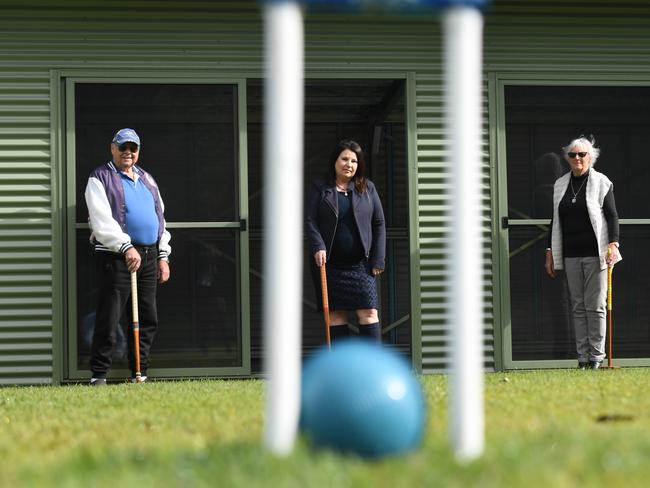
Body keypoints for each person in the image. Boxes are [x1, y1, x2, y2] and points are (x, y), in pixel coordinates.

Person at [85, 128, 171, 385]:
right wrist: (125, 246)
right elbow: (101, 222)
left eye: (133, 148)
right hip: (116, 256)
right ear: (113, 148)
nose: (128, 152)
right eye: (123, 147)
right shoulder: (100, 177)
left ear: (138, 151)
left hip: (148, 255)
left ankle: (140, 373)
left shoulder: (148, 179)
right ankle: (99, 375)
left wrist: (163, 255)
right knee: (109, 317)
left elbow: (160, 220)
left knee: (147, 317)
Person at [544, 135, 621, 370]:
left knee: (595, 305)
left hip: (596, 254)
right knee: (577, 306)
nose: (577, 158)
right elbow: (555, 221)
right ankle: (583, 357)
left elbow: (612, 215)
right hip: (570, 255)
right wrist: (550, 251)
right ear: (567, 158)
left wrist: (613, 243)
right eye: (573, 155)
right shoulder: (560, 184)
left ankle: (596, 357)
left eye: (582, 154)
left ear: (591, 157)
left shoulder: (601, 182)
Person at [305, 139, 386, 342]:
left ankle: (370, 369)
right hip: (329, 265)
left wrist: (378, 259)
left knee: (369, 314)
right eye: (344, 159)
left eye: (354, 160)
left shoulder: (368, 189)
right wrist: (318, 245)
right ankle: (342, 370)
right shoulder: (320, 188)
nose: (349, 164)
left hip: (361, 265)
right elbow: (309, 219)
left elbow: (379, 223)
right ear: (335, 161)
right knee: (336, 316)